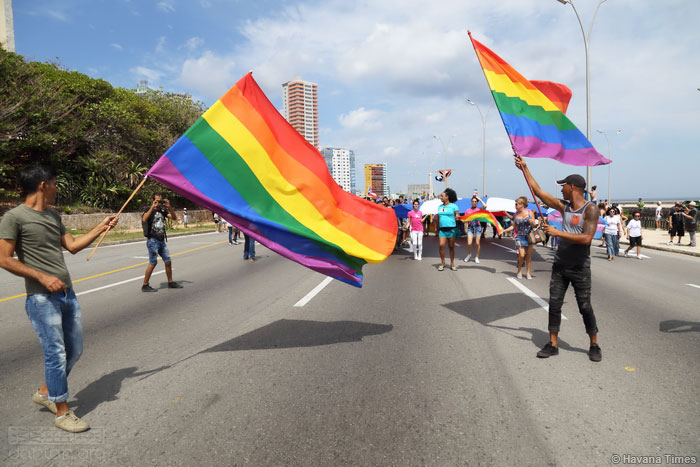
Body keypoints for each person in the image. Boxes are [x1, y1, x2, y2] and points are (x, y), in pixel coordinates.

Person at [0, 165, 119, 432]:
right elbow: (3, 259)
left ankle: (45, 393)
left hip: (67, 294)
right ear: (43, 184)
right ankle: (62, 411)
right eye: (54, 183)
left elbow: (74, 246)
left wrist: (102, 227)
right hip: (41, 298)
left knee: (74, 350)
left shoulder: (53, 216)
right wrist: (41, 277)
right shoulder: (14, 217)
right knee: (56, 353)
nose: (57, 188)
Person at [514, 156, 602, 362]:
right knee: (554, 305)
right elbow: (538, 192)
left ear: (572, 187)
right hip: (560, 265)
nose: (561, 189)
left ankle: (594, 344)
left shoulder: (590, 209)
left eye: (563, 186)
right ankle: (552, 344)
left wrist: (557, 232)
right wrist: (524, 168)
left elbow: (587, 238)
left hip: (580, 266)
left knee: (585, 306)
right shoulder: (565, 206)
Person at [141, 193, 183, 291]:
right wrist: (152, 206)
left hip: (161, 240)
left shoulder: (162, 211)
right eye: (157, 201)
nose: (159, 203)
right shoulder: (148, 210)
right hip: (152, 240)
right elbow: (144, 219)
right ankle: (145, 285)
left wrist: (169, 207)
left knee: (168, 261)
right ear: (153, 200)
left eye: (160, 201)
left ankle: (170, 282)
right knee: (153, 262)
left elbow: (174, 218)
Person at [502, 196, 536, 279]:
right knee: (521, 255)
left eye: (516, 204)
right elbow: (513, 226)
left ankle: (528, 273)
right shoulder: (516, 214)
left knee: (528, 256)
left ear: (522, 204)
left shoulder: (530, 213)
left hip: (529, 236)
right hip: (519, 236)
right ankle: (519, 270)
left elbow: (534, 225)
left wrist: (532, 222)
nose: (515, 205)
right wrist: (503, 231)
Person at [434, 188, 460, 271]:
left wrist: (457, 216)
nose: (440, 197)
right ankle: (443, 263)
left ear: (447, 197)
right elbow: (438, 218)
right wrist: (436, 227)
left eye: (442, 196)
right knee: (441, 245)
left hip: (451, 230)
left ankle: (452, 263)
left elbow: (457, 215)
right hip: (442, 230)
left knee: (451, 246)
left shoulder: (454, 206)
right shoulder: (439, 207)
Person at [463, 195, 486, 264]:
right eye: (473, 201)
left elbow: (485, 206)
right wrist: (464, 223)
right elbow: (465, 220)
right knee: (469, 243)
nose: (474, 202)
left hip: (478, 227)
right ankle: (469, 254)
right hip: (470, 227)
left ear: (477, 203)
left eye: (475, 201)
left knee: (477, 243)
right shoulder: (468, 210)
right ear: (471, 202)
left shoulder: (478, 209)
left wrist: (479, 199)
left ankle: (476, 257)